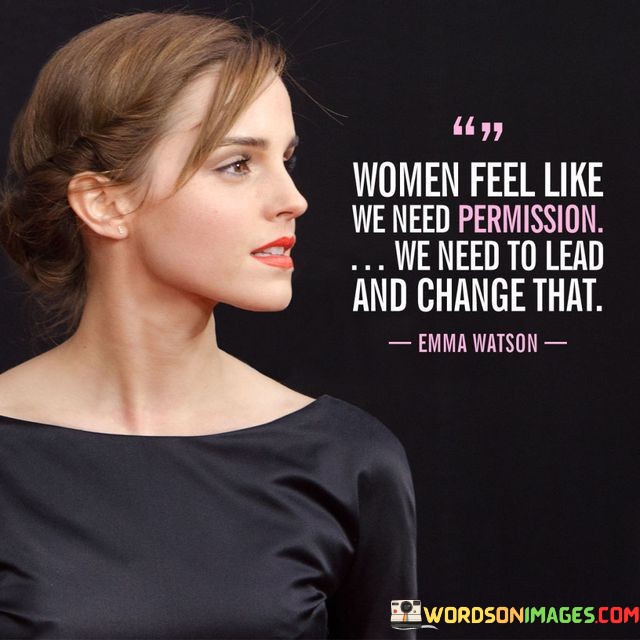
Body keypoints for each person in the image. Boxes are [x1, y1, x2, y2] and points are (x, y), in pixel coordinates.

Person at [0, 11, 418, 639]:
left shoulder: (349, 460)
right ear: (105, 203)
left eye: (287, 159)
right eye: (237, 164)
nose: (294, 199)